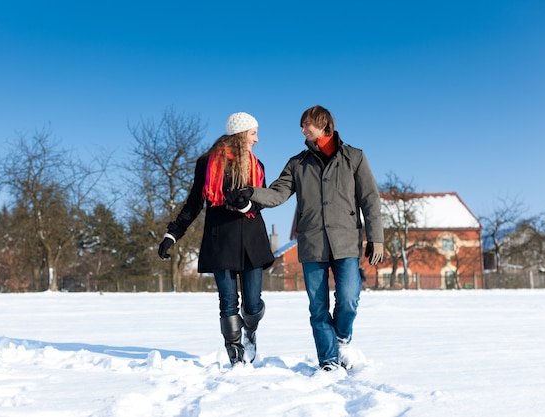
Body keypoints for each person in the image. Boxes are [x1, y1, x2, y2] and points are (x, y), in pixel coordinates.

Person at [227, 105, 384, 371]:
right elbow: (277, 193)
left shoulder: (354, 157)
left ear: (323, 124)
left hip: (346, 241)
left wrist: (376, 237)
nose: (302, 130)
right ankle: (329, 360)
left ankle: (342, 337)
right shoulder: (298, 163)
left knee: (349, 297)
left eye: (306, 124)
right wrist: (251, 192)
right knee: (318, 306)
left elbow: (370, 199)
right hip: (312, 244)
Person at [157, 112, 275, 366]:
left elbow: (262, 202)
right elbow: (193, 204)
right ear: (241, 134)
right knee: (228, 301)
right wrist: (172, 233)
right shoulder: (207, 164)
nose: (256, 139)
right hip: (221, 239)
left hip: (252, 241)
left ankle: (250, 331)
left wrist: (247, 205)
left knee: (253, 305)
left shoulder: (258, 166)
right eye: (253, 133)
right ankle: (235, 353)